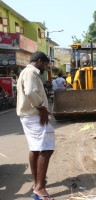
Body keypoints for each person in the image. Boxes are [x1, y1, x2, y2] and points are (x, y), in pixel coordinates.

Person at [16, 51, 55, 200]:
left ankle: (37, 183)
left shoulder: (26, 72)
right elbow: (31, 92)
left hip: (29, 116)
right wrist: (42, 108)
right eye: (45, 64)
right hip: (33, 116)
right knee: (47, 147)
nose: (45, 67)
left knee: (35, 148)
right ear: (39, 61)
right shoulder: (31, 72)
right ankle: (39, 187)